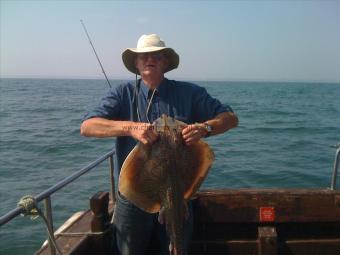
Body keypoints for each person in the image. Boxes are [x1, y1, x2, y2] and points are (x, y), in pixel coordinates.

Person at [80, 34, 238, 255]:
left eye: (156, 55)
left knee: (176, 249)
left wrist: (205, 128)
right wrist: (130, 128)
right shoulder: (122, 94)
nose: (148, 59)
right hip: (135, 195)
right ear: (136, 63)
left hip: (179, 194)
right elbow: (87, 127)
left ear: (165, 62)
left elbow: (230, 118)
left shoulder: (189, 93)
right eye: (142, 56)